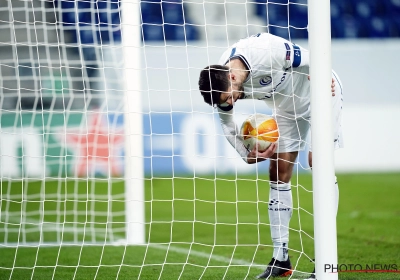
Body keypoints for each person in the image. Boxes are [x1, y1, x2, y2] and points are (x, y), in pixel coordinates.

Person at [198, 32, 343, 279]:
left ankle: (326, 262)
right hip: (286, 109)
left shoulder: (266, 50)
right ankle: (281, 258)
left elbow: (313, 57)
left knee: (318, 163)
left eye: (230, 97)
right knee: (278, 173)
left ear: (232, 77)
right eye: (225, 102)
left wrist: (323, 74)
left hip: (320, 96)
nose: (231, 104)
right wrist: (247, 154)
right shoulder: (221, 86)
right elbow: (227, 124)